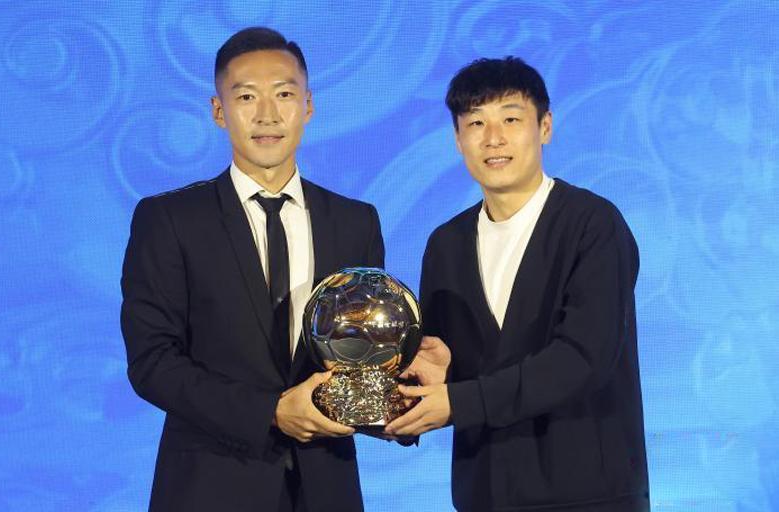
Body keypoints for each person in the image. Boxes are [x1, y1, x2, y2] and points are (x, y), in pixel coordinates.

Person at [121, 27, 383, 512]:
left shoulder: (355, 221)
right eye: (246, 96)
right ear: (219, 111)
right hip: (209, 488)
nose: (267, 114)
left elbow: (360, 357)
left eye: (284, 94)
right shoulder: (171, 219)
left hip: (326, 489)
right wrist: (271, 413)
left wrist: (402, 394)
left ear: (308, 106)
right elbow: (152, 362)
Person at [386, 57, 650, 511]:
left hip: (588, 494)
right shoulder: (446, 244)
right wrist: (415, 391)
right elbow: (450, 374)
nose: (493, 138)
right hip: (485, 492)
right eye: (476, 123)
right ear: (458, 139)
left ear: (545, 127)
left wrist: (460, 400)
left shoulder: (593, 224)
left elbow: (584, 359)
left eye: (511, 119)